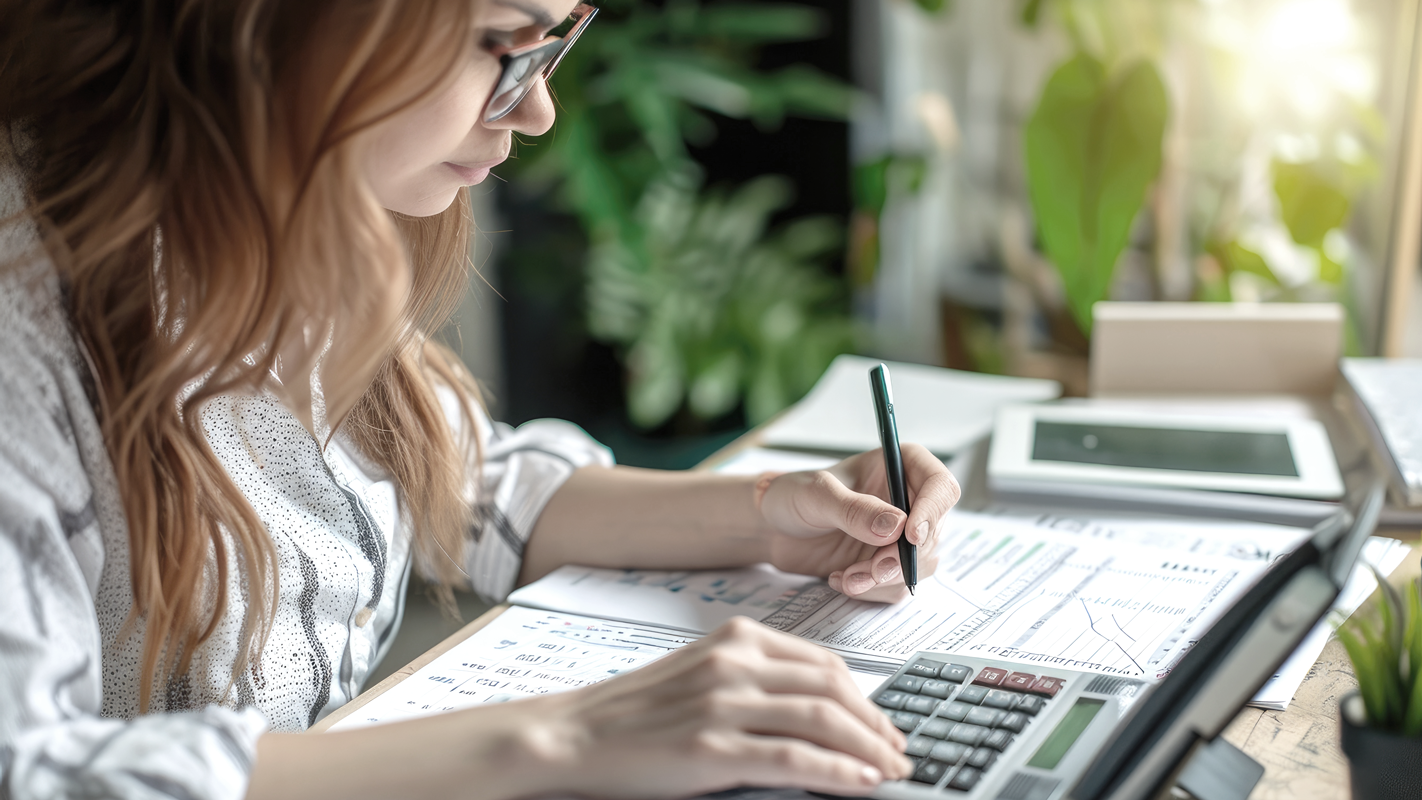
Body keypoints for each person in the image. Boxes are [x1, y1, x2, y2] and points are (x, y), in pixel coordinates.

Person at [0, 1, 960, 799]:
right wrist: (555, 740)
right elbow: (31, 768)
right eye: (504, 45)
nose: (538, 110)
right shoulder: (24, 326)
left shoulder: (277, 222)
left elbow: (464, 481)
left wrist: (771, 515)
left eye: (559, 41)